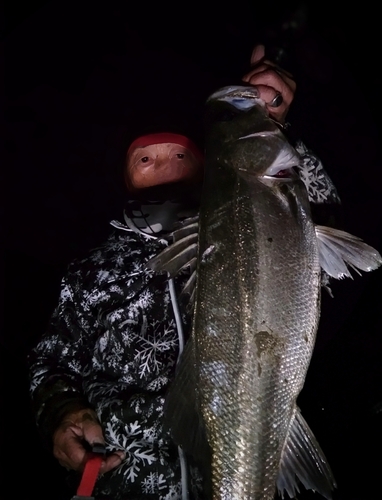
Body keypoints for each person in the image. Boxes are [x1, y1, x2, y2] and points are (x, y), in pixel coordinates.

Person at [28, 45, 326, 500]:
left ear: (207, 168)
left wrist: (275, 124)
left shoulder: (244, 228)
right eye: (146, 159)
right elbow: (51, 359)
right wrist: (60, 409)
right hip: (128, 479)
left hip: (248, 452)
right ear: (127, 178)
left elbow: (310, 229)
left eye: (180, 156)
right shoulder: (90, 271)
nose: (164, 166)